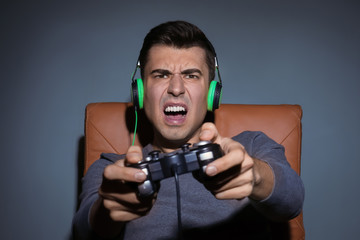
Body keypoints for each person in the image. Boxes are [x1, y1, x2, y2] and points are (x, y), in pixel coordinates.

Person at [72, 20, 304, 239]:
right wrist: (108, 208)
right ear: (140, 94)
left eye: (191, 75)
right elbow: (85, 229)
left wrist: (255, 177)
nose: (176, 88)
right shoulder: (112, 169)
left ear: (212, 94)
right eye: (161, 75)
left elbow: (292, 200)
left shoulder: (251, 146)